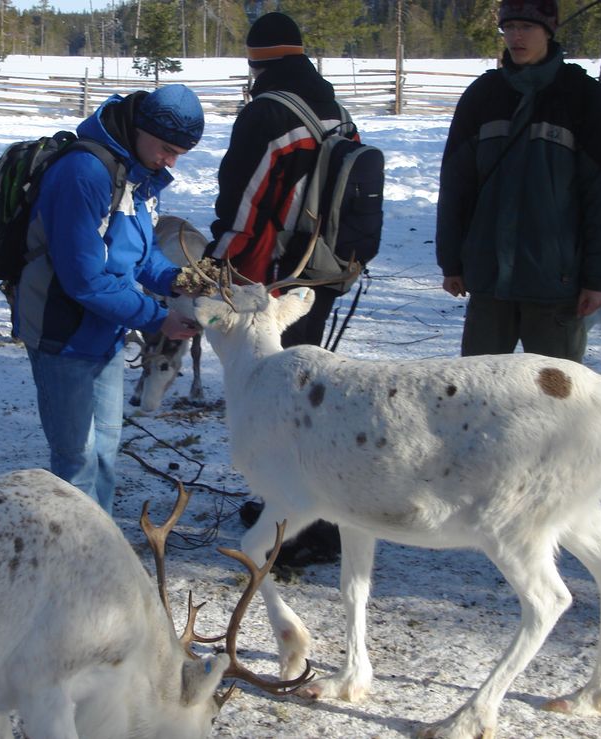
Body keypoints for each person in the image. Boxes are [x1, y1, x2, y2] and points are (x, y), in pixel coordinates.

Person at [17, 84, 202, 516]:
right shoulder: (84, 173)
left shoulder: (137, 175)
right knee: (77, 464)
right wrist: (158, 318)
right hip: (62, 335)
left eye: (180, 154)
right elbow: (84, 279)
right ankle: (74, 552)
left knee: (104, 455)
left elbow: (139, 252)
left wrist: (177, 279)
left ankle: (98, 546)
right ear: (141, 129)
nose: (171, 161)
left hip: (106, 333)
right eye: (167, 149)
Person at [210, 11, 351, 566]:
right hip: (325, 268)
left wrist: (218, 265)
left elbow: (244, 205)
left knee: (281, 407)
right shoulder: (335, 109)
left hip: (276, 275)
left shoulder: (267, 114)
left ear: (256, 62)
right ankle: (292, 513)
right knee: (307, 400)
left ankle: (304, 530)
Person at [435, 0, 601, 363]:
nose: (516, 37)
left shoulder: (582, 96)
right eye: (509, 27)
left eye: (526, 27)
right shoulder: (483, 95)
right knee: (479, 388)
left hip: (556, 283)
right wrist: (451, 262)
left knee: (557, 391)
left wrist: (596, 278)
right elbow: (455, 186)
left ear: (549, 31)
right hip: (489, 281)